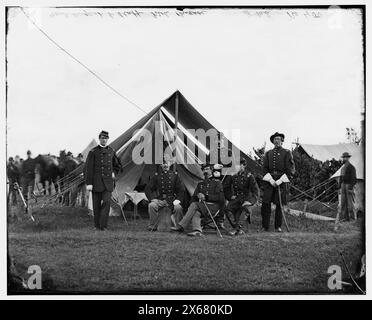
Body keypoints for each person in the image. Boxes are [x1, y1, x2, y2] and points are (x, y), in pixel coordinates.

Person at [171, 163, 225, 236]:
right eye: (204, 170)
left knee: (194, 205)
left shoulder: (217, 183)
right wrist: (196, 198)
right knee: (195, 211)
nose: (205, 171)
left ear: (212, 170)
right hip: (202, 207)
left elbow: (220, 198)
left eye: (207, 169)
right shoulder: (200, 184)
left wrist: (206, 197)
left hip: (213, 207)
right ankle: (197, 230)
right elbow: (194, 198)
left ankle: (181, 226)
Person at [85, 130, 122, 230]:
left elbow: (118, 165)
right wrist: (89, 183)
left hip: (108, 183)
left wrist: (114, 172)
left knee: (106, 203)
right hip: (96, 183)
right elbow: (88, 169)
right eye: (102, 138)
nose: (104, 140)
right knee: (96, 206)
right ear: (99, 139)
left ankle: (103, 226)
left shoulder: (111, 151)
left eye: (106, 138)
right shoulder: (93, 152)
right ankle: (97, 226)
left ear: (107, 139)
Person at [261, 132, 295, 232]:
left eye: (279, 139)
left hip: (282, 181)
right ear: (273, 141)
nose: (277, 141)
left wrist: (280, 181)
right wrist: (271, 180)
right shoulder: (268, 153)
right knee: (265, 203)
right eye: (275, 139)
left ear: (282, 141)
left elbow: (290, 169)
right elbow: (264, 169)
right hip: (269, 181)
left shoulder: (287, 152)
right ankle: (265, 226)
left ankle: (278, 226)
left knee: (279, 204)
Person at [144, 158, 185, 231]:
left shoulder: (175, 176)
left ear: (170, 164)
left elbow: (181, 190)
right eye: (163, 163)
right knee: (151, 205)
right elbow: (148, 188)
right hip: (160, 200)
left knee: (178, 208)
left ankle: (179, 226)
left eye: (167, 163)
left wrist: (178, 200)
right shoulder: (157, 176)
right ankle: (153, 226)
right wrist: (152, 199)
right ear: (161, 165)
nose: (165, 165)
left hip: (172, 200)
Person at [224, 158, 260, 236]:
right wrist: (230, 196)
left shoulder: (249, 176)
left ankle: (236, 229)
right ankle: (238, 228)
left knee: (246, 208)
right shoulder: (232, 175)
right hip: (236, 198)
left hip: (247, 198)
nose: (236, 167)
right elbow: (226, 187)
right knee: (227, 209)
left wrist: (250, 201)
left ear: (244, 166)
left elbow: (256, 191)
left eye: (238, 165)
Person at [339, 152, 357, 221]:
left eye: (345, 157)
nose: (344, 159)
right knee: (343, 203)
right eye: (343, 157)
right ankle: (344, 218)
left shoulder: (352, 167)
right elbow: (341, 178)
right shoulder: (342, 168)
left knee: (350, 204)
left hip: (349, 185)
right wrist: (339, 187)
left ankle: (352, 219)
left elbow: (353, 178)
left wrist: (351, 187)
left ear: (348, 158)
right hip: (343, 185)